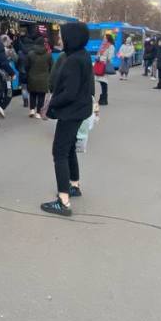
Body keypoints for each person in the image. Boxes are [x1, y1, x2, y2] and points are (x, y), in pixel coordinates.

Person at [41, 22, 93, 217]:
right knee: (70, 149)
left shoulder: (72, 60)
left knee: (59, 153)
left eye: (63, 36)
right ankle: (74, 185)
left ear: (72, 38)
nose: (60, 40)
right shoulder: (83, 55)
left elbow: (69, 93)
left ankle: (63, 201)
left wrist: (51, 103)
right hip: (80, 110)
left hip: (70, 113)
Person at [26, 40, 52, 118]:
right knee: (41, 96)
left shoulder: (30, 54)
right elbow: (52, 66)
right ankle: (38, 113)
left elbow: (26, 66)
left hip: (32, 77)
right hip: (44, 78)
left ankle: (32, 110)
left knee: (32, 94)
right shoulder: (48, 55)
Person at [94, 32, 115, 105]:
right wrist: (97, 57)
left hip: (104, 66)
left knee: (104, 82)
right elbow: (98, 54)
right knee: (101, 82)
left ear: (108, 39)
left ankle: (104, 99)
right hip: (99, 65)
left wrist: (101, 58)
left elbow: (110, 57)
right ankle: (102, 98)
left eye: (105, 38)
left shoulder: (111, 46)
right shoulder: (102, 46)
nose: (104, 39)